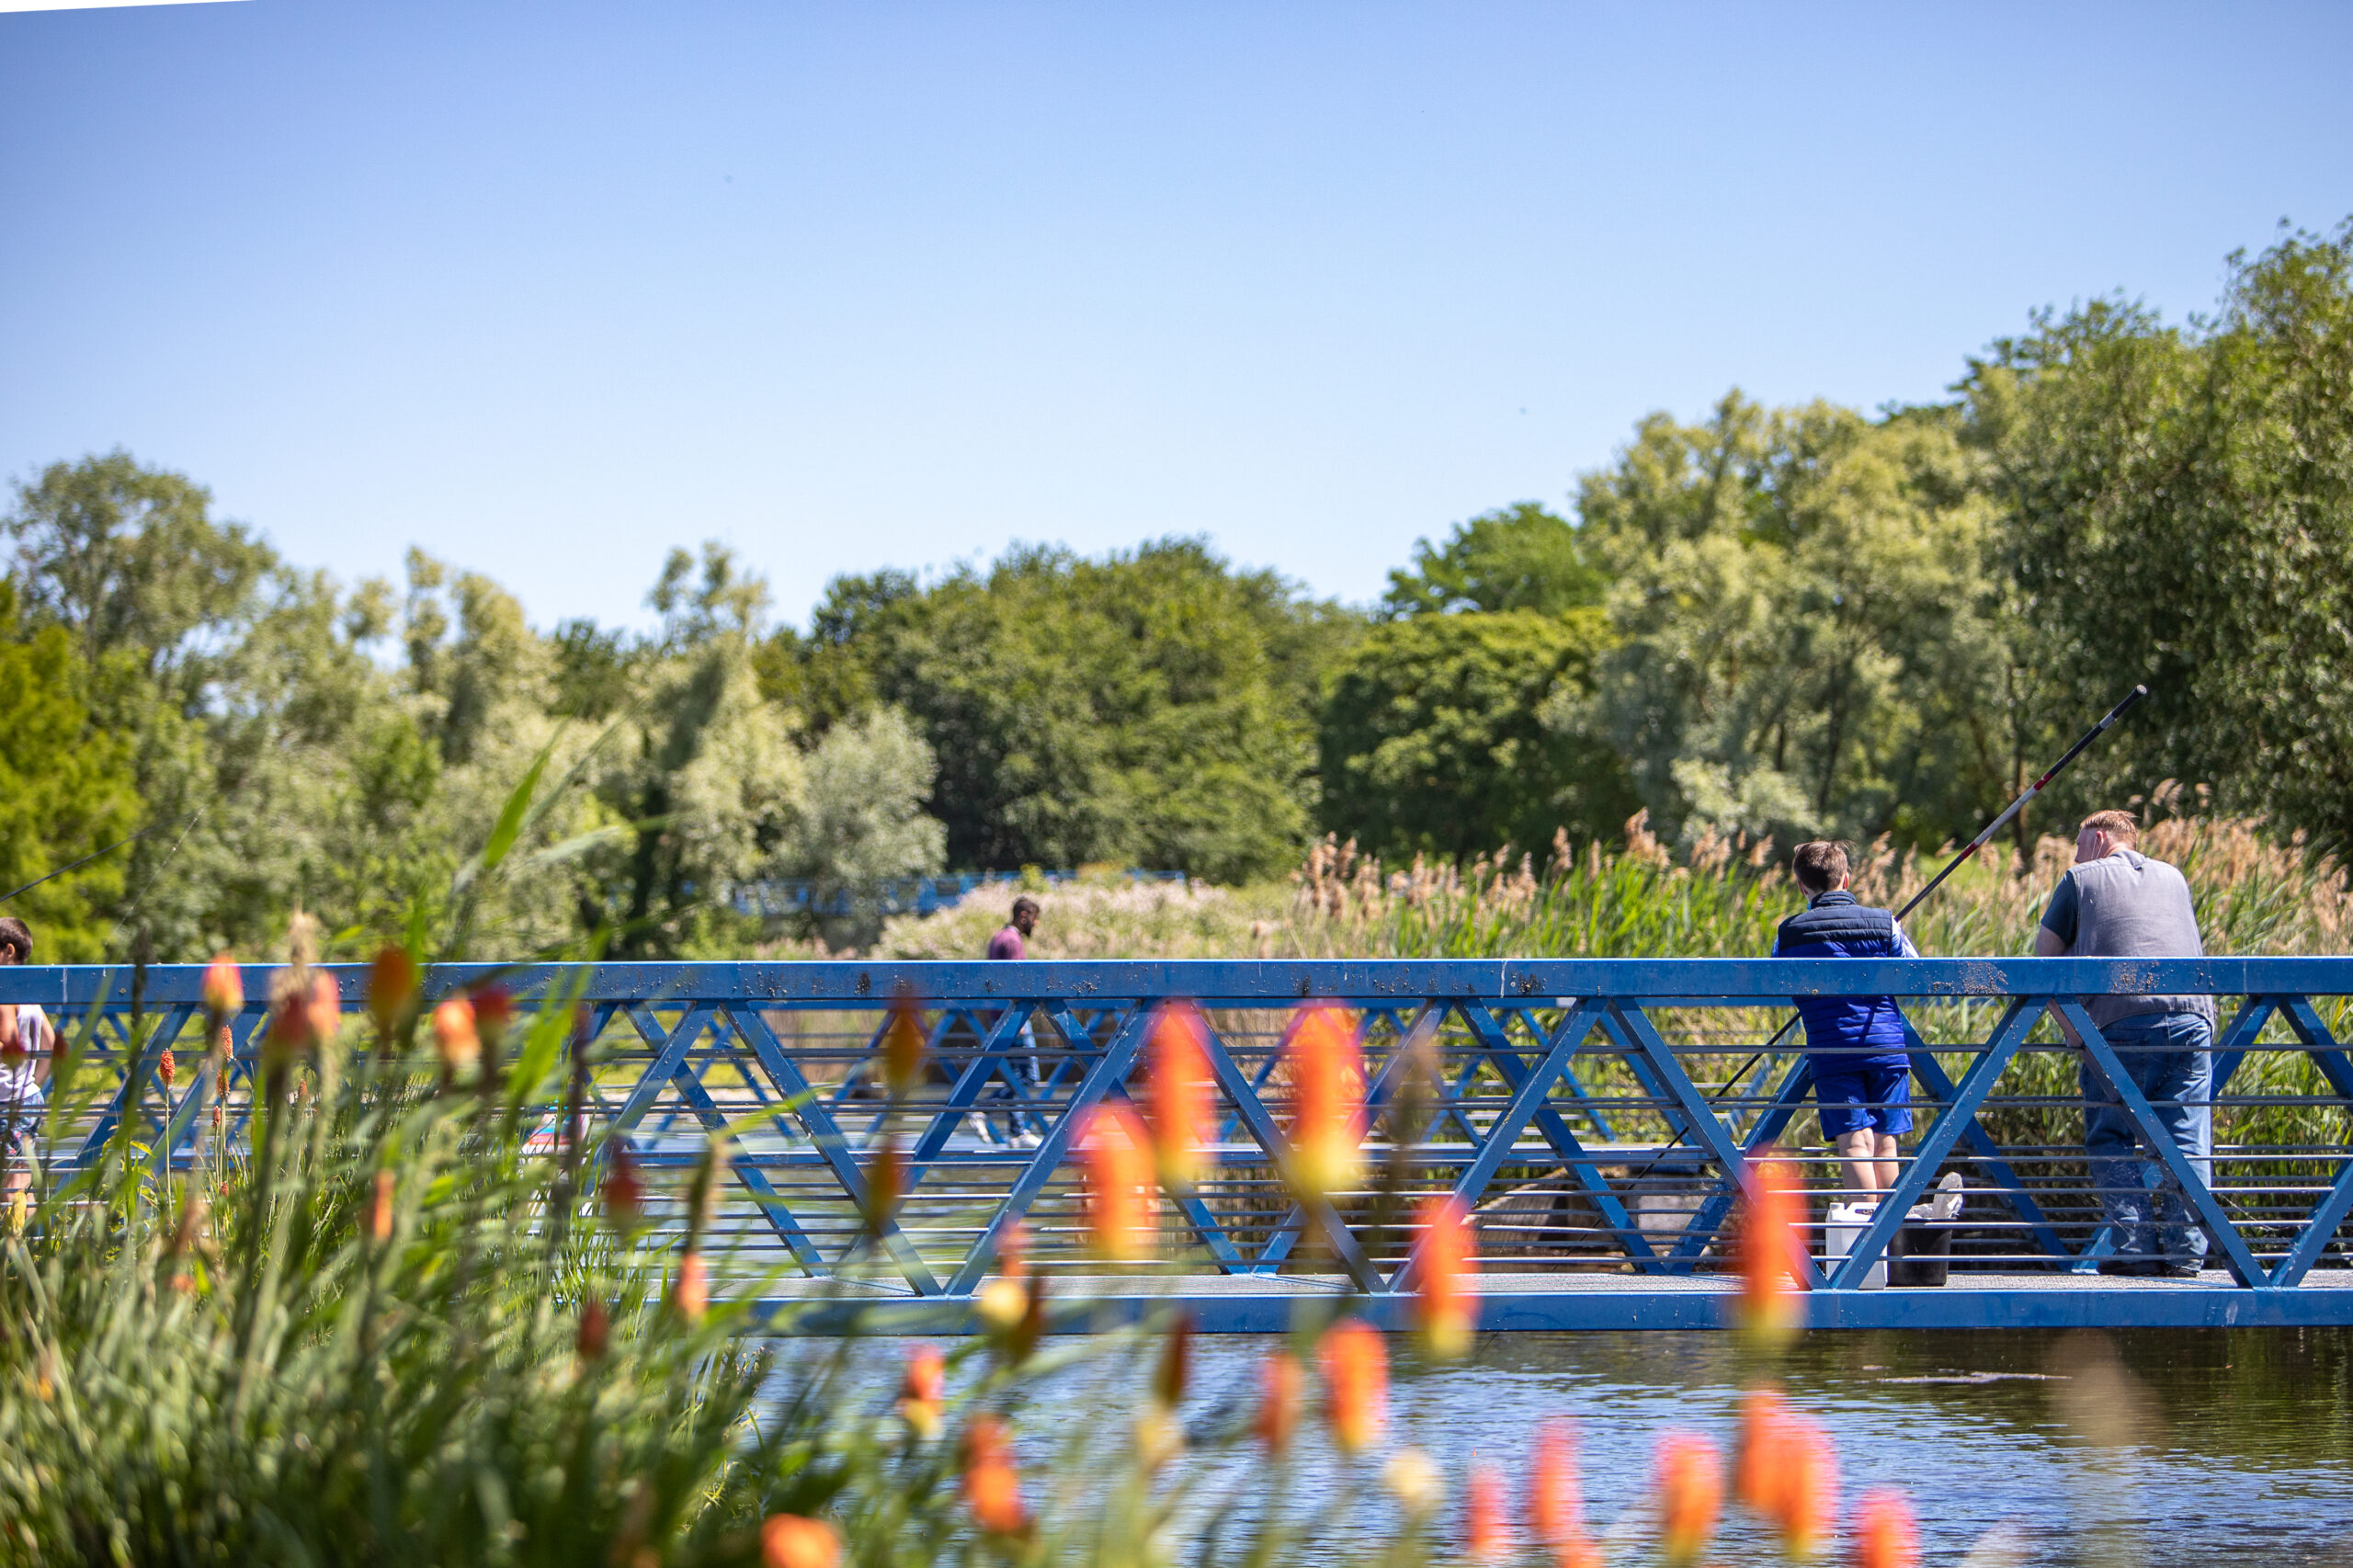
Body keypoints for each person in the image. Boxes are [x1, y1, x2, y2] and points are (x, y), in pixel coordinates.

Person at [2036, 809, 2217, 1278]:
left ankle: (2134, 1248)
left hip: (2120, 1021)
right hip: (2192, 1018)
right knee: (2187, 1137)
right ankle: (2186, 1255)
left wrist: (2075, 1032)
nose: (2074, 856)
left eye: (2077, 845)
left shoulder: (2080, 877)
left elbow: (2040, 962)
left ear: (2097, 839)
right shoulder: (2174, 876)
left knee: (2110, 1134)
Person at [1772, 842, 1919, 1206]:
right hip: (1885, 1045)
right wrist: (1890, 932)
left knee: (1854, 1142)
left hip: (1832, 1046)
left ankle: (1863, 1245)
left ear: (1802, 887)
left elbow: (1777, 981)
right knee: (1886, 1141)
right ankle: (1888, 1243)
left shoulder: (1789, 932)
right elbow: (1916, 972)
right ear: (1846, 878)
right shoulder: (1884, 922)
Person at [0, 918, 53, 1230]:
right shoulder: (30, 995)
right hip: (27, 1099)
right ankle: (30, 1253)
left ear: (8, 950)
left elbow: (6, 1040)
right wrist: (33, 1084)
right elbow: (50, 1043)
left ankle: (13, 1259)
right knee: (19, 1185)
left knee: (9, 1187)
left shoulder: (4, 990)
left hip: (6, 1102)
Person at [979, 898, 1041, 1147]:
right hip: (1014, 1018)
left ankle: (1016, 1131)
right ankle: (983, 1108)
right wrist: (1021, 1019)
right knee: (1029, 1075)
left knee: (1016, 1074)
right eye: (1035, 918)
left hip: (997, 1015)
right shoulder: (1013, 941)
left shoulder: (998, 938)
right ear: (1024, 915)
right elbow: (1019, 981)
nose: (1036, 924)